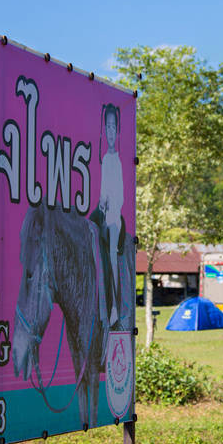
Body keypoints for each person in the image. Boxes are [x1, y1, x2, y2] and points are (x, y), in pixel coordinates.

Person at [98, 104, 124, 326]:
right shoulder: (105, 159)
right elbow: (102, 190)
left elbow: (121, 194)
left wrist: (110, 204)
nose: (110, 132)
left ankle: (114, 307)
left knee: (112, 256)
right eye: (107, 127)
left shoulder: (118, 160)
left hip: (115, 217)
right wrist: (101, 201)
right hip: (105, 213)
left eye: (113, 127)